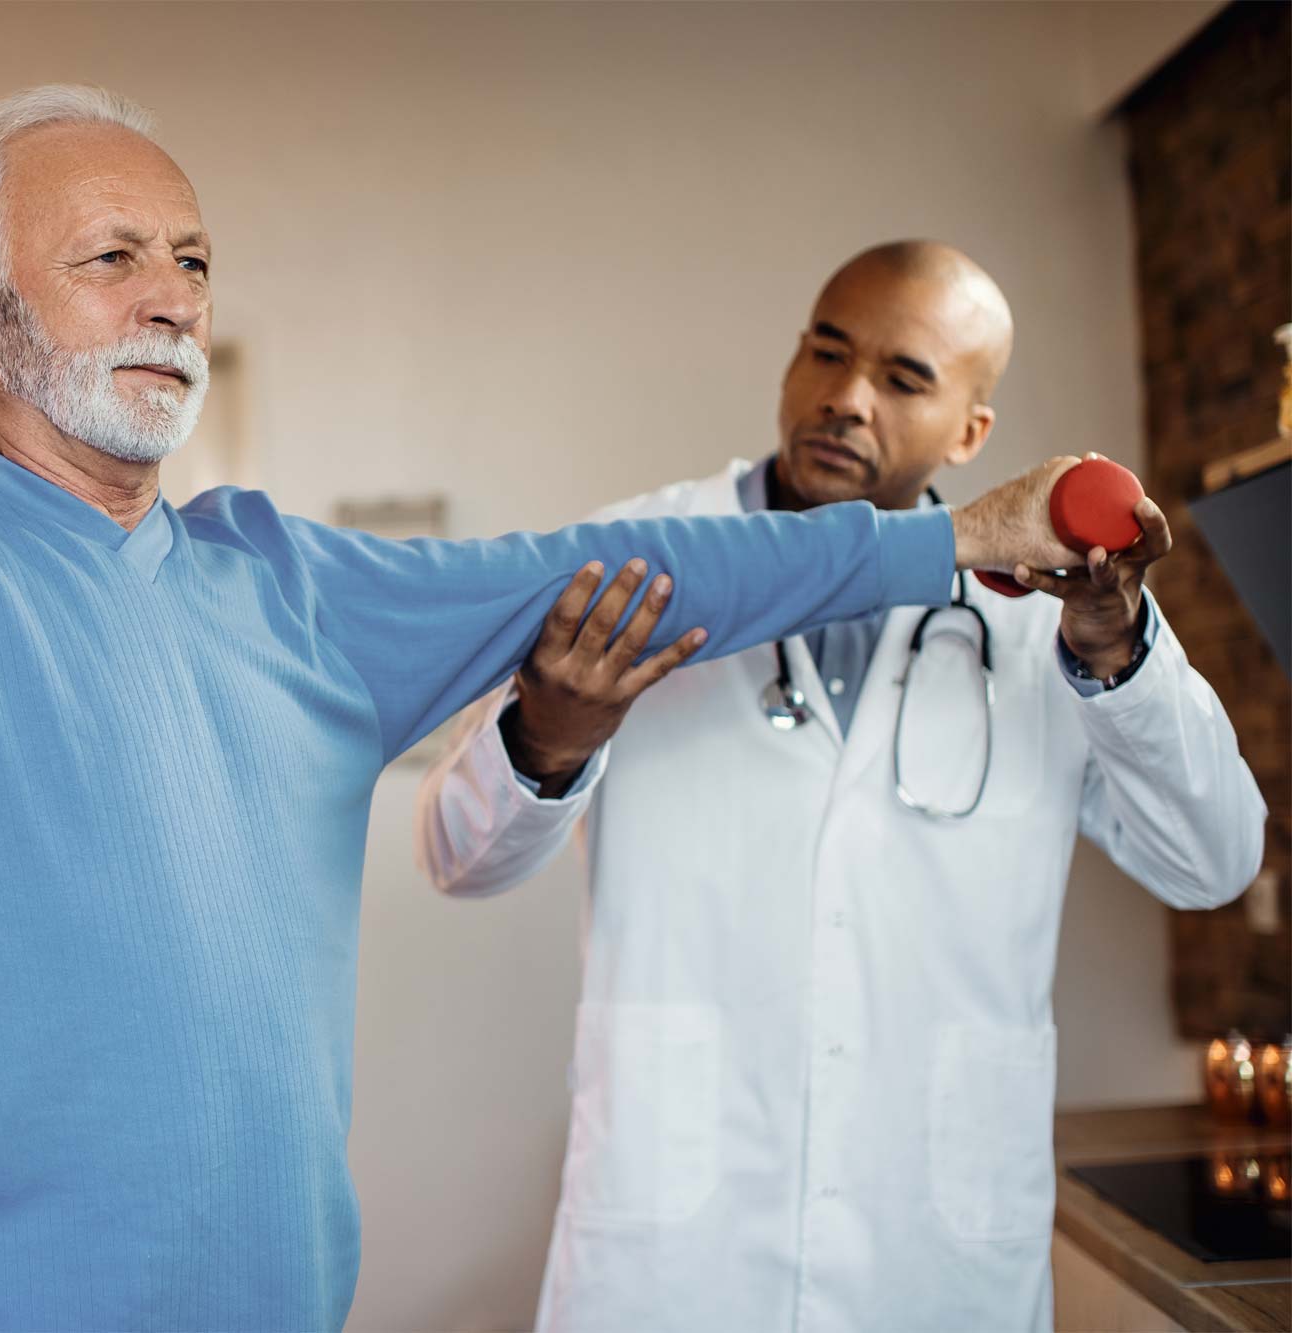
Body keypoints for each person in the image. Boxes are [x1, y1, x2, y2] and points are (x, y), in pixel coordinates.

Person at [0, 87, 1074, 1329]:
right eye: (111, 259)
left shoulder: (290, 584)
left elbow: (614, 559)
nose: (171, 296)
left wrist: (955, 539)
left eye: (194, 260)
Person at [415, 240, 1266, 1333]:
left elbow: (1213, 861)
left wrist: (1115, 653)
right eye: (824, 352)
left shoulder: (1042, 613)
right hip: (677, 1263)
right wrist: (551, 733)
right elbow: (452, 852)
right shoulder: (639, 561)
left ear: (969, 431)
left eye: (902, 378)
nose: (842, 398)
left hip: (933, 1262)